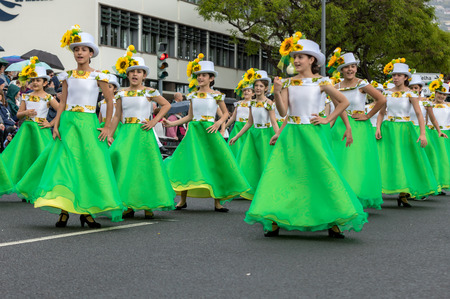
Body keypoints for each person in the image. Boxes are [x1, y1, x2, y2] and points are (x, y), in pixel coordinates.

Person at [245, 33, 367, 238]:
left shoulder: (322, 82)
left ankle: (335, 218)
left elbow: (343, 103)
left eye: (302, 56)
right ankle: (274, 218)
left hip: (314, 134)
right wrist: (276, 91)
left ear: (312, 60)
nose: (297, 60)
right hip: (291, 134)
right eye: (295, 56)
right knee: (283, 173)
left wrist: (328, 120)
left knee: (322, 172)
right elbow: (284, 112)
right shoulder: (287, 83)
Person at [15, 25, 124, 227]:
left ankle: (86, 211)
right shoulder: (67, 76)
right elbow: (62, 103)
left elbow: (110, 102)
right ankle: (64, 211)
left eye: (84, 49)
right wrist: (56, 123)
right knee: (65, 165)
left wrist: (108, 127)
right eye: (76, 49)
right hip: (68, 123)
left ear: (91, 53)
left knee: (87, 166)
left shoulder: (99, 76)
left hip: (89, 124)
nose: (79, 52)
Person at [163, 55, 250, 212]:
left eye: (204, 75)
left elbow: (225, 114)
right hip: (194, 132)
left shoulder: (216, 95)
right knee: (187, 163)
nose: (200, 78)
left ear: (211, 78)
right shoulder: (193, 95)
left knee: (215, 164)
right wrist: (171, 123)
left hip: (210, 131)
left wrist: (217, 123)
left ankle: (217, 202)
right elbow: (189, 116)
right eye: (198, 75)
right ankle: (182, 200)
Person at [109, 50, 175, 218]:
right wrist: (110, 133)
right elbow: (117, 116)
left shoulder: (150, 92)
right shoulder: (121, 93)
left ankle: (148, 204)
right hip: (126, 133)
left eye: (138, 71)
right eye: (132, 71)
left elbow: (166, 105)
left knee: (145, 168)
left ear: (144, 75)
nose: (135, 74)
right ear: (127, 74)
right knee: (126, 166)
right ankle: (128, 204)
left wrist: (154, 121)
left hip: (143, 133)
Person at [376, 60, 439, 206]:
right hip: (389, 128)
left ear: (406, 78)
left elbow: (419, 115)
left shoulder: (411, 94)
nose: (396, 77)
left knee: (406, 159)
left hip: (405, 129)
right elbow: (381, 113)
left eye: (399, 75)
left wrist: (422, 134)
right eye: (394, 75)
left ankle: (404, 193)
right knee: (387, 159)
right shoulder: (386, 93)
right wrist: (378, 127)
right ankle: (381, 189)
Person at [329, 52, 386, 209]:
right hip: (340, 126)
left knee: (356, 161)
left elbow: (381, 100)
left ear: (356, 68)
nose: (350, 69)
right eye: (346, 67)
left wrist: (368, 116)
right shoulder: (335, 87)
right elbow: (336, 109)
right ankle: (342, 196)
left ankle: (355, 195)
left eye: (353, 66)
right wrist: (329, 126)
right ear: (341, 69)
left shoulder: (362, 84)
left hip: (359, 126)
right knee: (340, 160)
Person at [2, 62, 59, 187]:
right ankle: (24, 186)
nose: (35, 83)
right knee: (25, 157)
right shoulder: (26, 96)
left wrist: (51, 123)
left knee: (40, 156)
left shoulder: (48, 97)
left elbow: (61, 110)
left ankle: (39, 185)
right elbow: (18, 115)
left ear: (45, 83)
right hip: (27, 130)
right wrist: (26, 112)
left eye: (38, 80)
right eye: (32, 80)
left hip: (40, 130)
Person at [229, 69, 279, 199]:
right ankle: (252, 188)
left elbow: (273, 122)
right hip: (253, 135)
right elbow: (249, 123)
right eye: (256, 85)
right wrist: (236, 136)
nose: (258, 88)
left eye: (261, 86)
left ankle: (266, 190)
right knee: (251, 162)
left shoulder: (269, 103)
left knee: (264, 161)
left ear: (266, 88)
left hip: (266, 135)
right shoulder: (251, 103)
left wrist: (278, 135)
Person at [409, 74, 449, 192]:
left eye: (416, 88)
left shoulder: (426, 102)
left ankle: (432, 185)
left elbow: (432, 118)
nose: (413, 90)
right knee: (412, 159)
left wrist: (439, 131)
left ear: (420, 88)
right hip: (409, 131)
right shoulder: (405, 100)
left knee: (430, 158)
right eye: (411, 88)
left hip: (422, 132)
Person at [426, 76, 450, 191]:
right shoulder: (428, 104)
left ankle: (441, 183)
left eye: (444, 95)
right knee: (432, 159)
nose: (442, 96)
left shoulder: (449, 106)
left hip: (445, 134)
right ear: (435, 92)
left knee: (443, 159)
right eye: (439, 93)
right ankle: (433, 184)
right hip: (430, 133)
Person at [223, 72, 254, 157]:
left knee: (246, 150)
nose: (246, 92)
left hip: (248, 128)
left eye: (248, 90)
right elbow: (233, 117)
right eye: (244, 90)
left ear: (253, 93)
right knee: (236, 149)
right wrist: (224, 126)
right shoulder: (238, 103)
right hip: (237, 127)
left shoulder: (254, 103)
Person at [98, 73, 121, 139]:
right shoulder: (101, 102)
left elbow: (119, 115)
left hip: (114, 128)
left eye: (109, 87)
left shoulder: (116, 101)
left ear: (115, 89)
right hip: (103, 126)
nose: (107, 89)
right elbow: (100, 116)